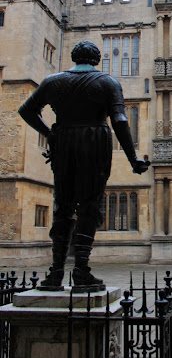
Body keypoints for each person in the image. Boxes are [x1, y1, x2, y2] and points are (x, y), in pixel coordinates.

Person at [18, 41, 150, 292]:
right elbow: (120, 120)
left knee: (63, 206)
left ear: (74, 56)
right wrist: (133, 158)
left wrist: (49, 134)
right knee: (90, 206)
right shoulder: (108, 82)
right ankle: (81, 271)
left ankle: (55, 273)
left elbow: (26, 110)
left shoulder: (53, 81)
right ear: (97, 59)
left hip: (64, 141)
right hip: (94, 142)